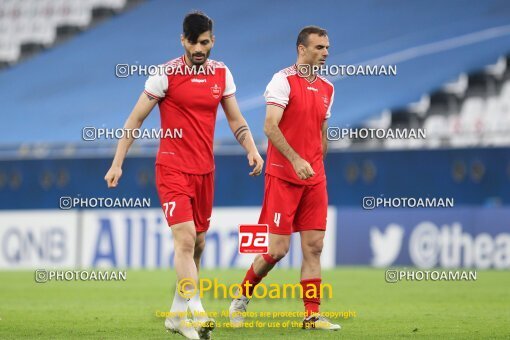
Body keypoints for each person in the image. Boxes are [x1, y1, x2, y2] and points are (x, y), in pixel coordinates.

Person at [104, 11, 263, 340]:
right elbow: (135, 119)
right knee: (186, 239)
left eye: (204, 42)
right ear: (183, 41)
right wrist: (118, 161)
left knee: (199, 244)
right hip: (172, 167)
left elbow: (235, 119)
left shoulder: (222, 73)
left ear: (212, 41)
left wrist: (250, 146)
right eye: (193, 43)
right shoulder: (164, 75)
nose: (199, 48)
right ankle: (198, 312)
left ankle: (176, 317)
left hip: (204, 171)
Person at [229, 26, 340, 331]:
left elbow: (321, 132)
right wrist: (295, 159)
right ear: (301, 49)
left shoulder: (328, 87)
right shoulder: (282, 81)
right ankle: (241, 296)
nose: (326, 53)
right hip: (283, 177)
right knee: (277, 250)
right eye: (319, 47)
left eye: (327, 48)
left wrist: (318, 164)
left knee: (314, 246)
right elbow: (269, 126)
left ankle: (312, 316)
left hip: (314, 179)